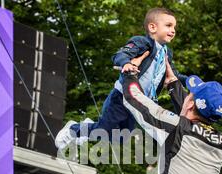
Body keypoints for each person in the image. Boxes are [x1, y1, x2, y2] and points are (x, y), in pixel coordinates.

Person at [55, 7, 187, 149]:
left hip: (139, 103)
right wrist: (127, 63)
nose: (173, 30)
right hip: (122, 96)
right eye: (168, 25)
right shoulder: (142, 42)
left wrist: (191, 81)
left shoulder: (167, 53)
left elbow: (173, 74)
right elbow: (121, 54)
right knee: (104, 130)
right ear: (152, 27)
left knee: (121, 138)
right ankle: (73, 130)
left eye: (174, 27)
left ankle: (88, 129)